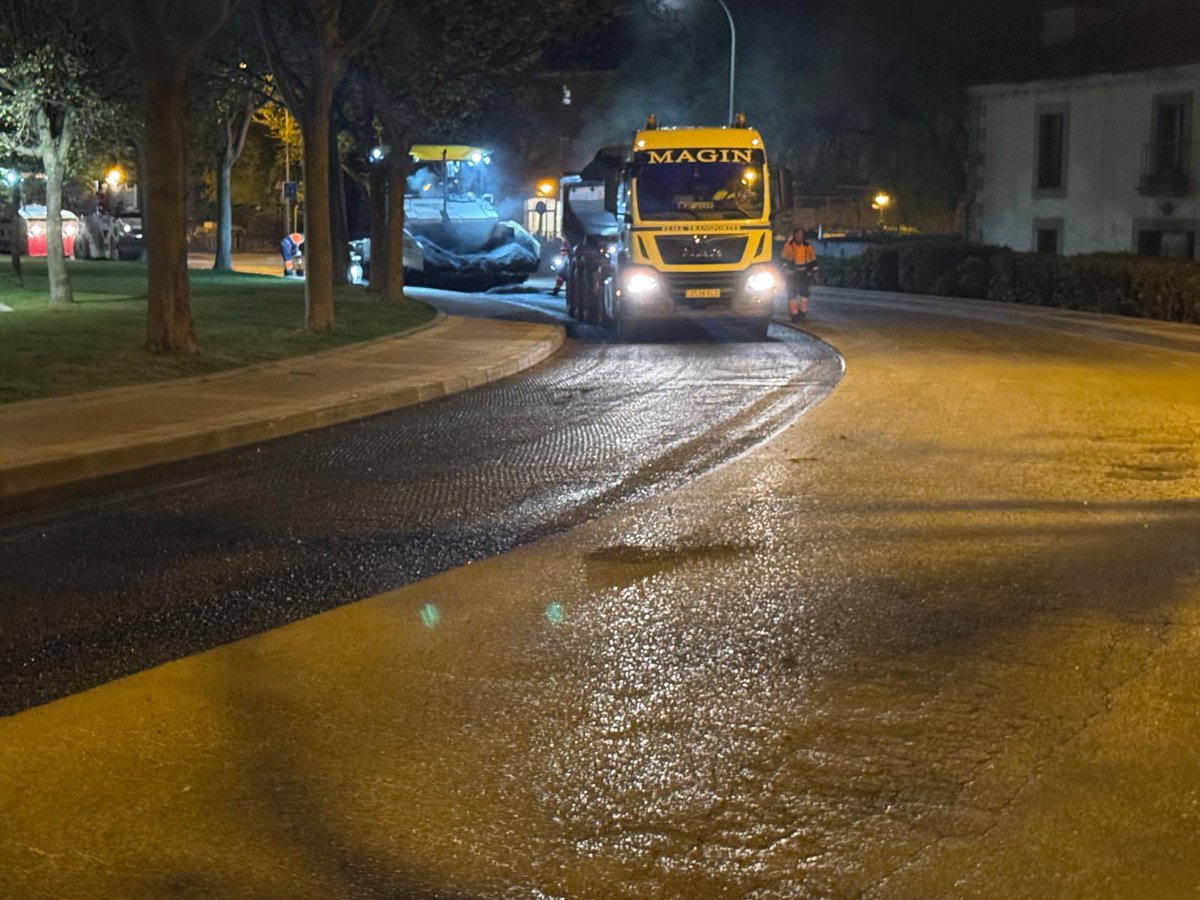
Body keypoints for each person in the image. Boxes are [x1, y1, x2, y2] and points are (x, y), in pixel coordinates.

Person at [781, 227, 817, 322]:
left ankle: (802, 313)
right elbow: (783, 260)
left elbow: (813, 261)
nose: (799, 236)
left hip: (804, 273)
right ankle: (794, 315)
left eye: (801, 234)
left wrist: (813, 272)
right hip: (792, 273)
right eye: (798, 234)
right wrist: (786, 271)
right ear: (794, 235)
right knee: (792, 294)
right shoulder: (788, 246)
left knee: (804, 294)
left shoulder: (807, 246)